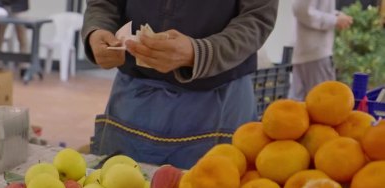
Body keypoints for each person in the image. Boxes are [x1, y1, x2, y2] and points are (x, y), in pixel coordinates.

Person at [83, 1, 278, 169]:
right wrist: (98, 28)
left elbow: (257, 17)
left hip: (218, 100)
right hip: (133, 97)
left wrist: (199, 53)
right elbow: (104, 3)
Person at [290, 0, 353, 100]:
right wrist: (334, 20)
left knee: (300, 104)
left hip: (311, 52)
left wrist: (336, 16)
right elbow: (301, 10)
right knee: (324, 105)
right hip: (315, 53)